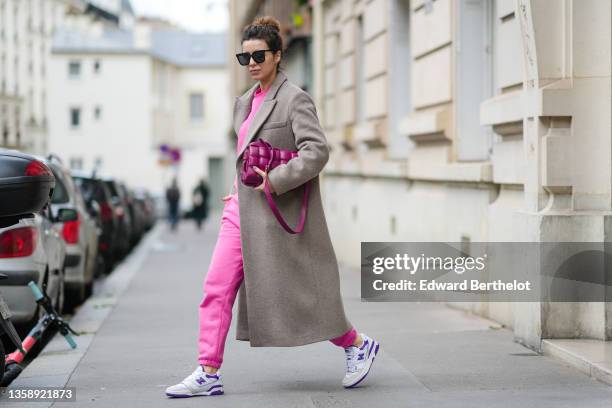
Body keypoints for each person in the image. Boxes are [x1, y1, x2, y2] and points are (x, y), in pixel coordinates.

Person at [166, 16, 380, 398]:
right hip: (240, 212)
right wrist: (235, 189)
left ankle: (356, 344)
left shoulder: (295, 98)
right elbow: (246, 155)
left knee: (302, 296)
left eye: (258, 55)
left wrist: (275, 180)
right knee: (216, 287)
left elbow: (316, 152)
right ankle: (208, 370)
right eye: (243, 57)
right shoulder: (244, 103)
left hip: (275, 215)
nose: (251, 63)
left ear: (277, 55)